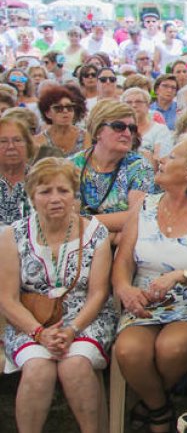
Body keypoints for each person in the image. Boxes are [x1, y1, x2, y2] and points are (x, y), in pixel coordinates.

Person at [111, 135, 187, 433]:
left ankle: (150, 409)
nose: (161, 160)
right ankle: (159, 408)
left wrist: (183, 275)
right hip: (145, 300)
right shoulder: (144, 207)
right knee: (128, 351)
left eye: (171, 157)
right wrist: (125, 289)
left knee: (171, 347)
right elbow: (124, 261)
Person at [0, 158, 117, 433]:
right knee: (38, 368)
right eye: (45, 191)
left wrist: (73, 330)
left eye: (63, 191)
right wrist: (39, 332)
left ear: (74, 194)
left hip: (85, 318)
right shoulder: (12, 235)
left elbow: (99, 293)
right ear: (32, 196)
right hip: (30, 320)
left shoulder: (94, 232)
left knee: (74, 364)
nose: (55, 199)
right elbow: (7, 298)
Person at [69, 100, 154, 235]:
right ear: (97, 131)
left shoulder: (139, 167)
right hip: (77, 244)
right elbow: (66, 217)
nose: (127, 133)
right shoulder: (72, 166)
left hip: (120, 246)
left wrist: (84, 222)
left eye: (131, 128)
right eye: (119, 126)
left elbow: (136, 217)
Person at [34, 85, 88, 160]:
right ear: (47, 113)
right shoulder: (39, 141)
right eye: (58, 108)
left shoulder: (86, 136)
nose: (65, 111)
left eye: (69, 107)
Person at [0, 113, 34, 224]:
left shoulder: (41, 179)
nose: (11, 146)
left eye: (17, 140)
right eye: (3, 141)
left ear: (28, 144)